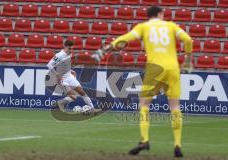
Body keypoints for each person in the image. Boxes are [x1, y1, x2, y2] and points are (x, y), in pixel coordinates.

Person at [92, 6, 193, 157]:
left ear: (149, 16)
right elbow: (188, 39)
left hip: (155, 69)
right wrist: (188, 60)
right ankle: (177, 144)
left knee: (144, 104)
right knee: (175, 106)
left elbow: (124, 39)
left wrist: (105, 50)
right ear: (159, 14)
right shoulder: (171, 26)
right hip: (173, 68)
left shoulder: (144, 27)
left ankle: (145, 140)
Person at [47, 40, 100, 113]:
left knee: (82, 92)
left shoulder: (70, 54)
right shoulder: (59, 55)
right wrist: (56, 74)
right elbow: (49, 65)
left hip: (70, 77)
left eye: (72, 48)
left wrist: (72, 71)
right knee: (73, 96)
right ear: (65, 47)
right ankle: (61, 103)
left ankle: (92, 108)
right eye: (70, 48)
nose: (71, 50)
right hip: (63, 80)